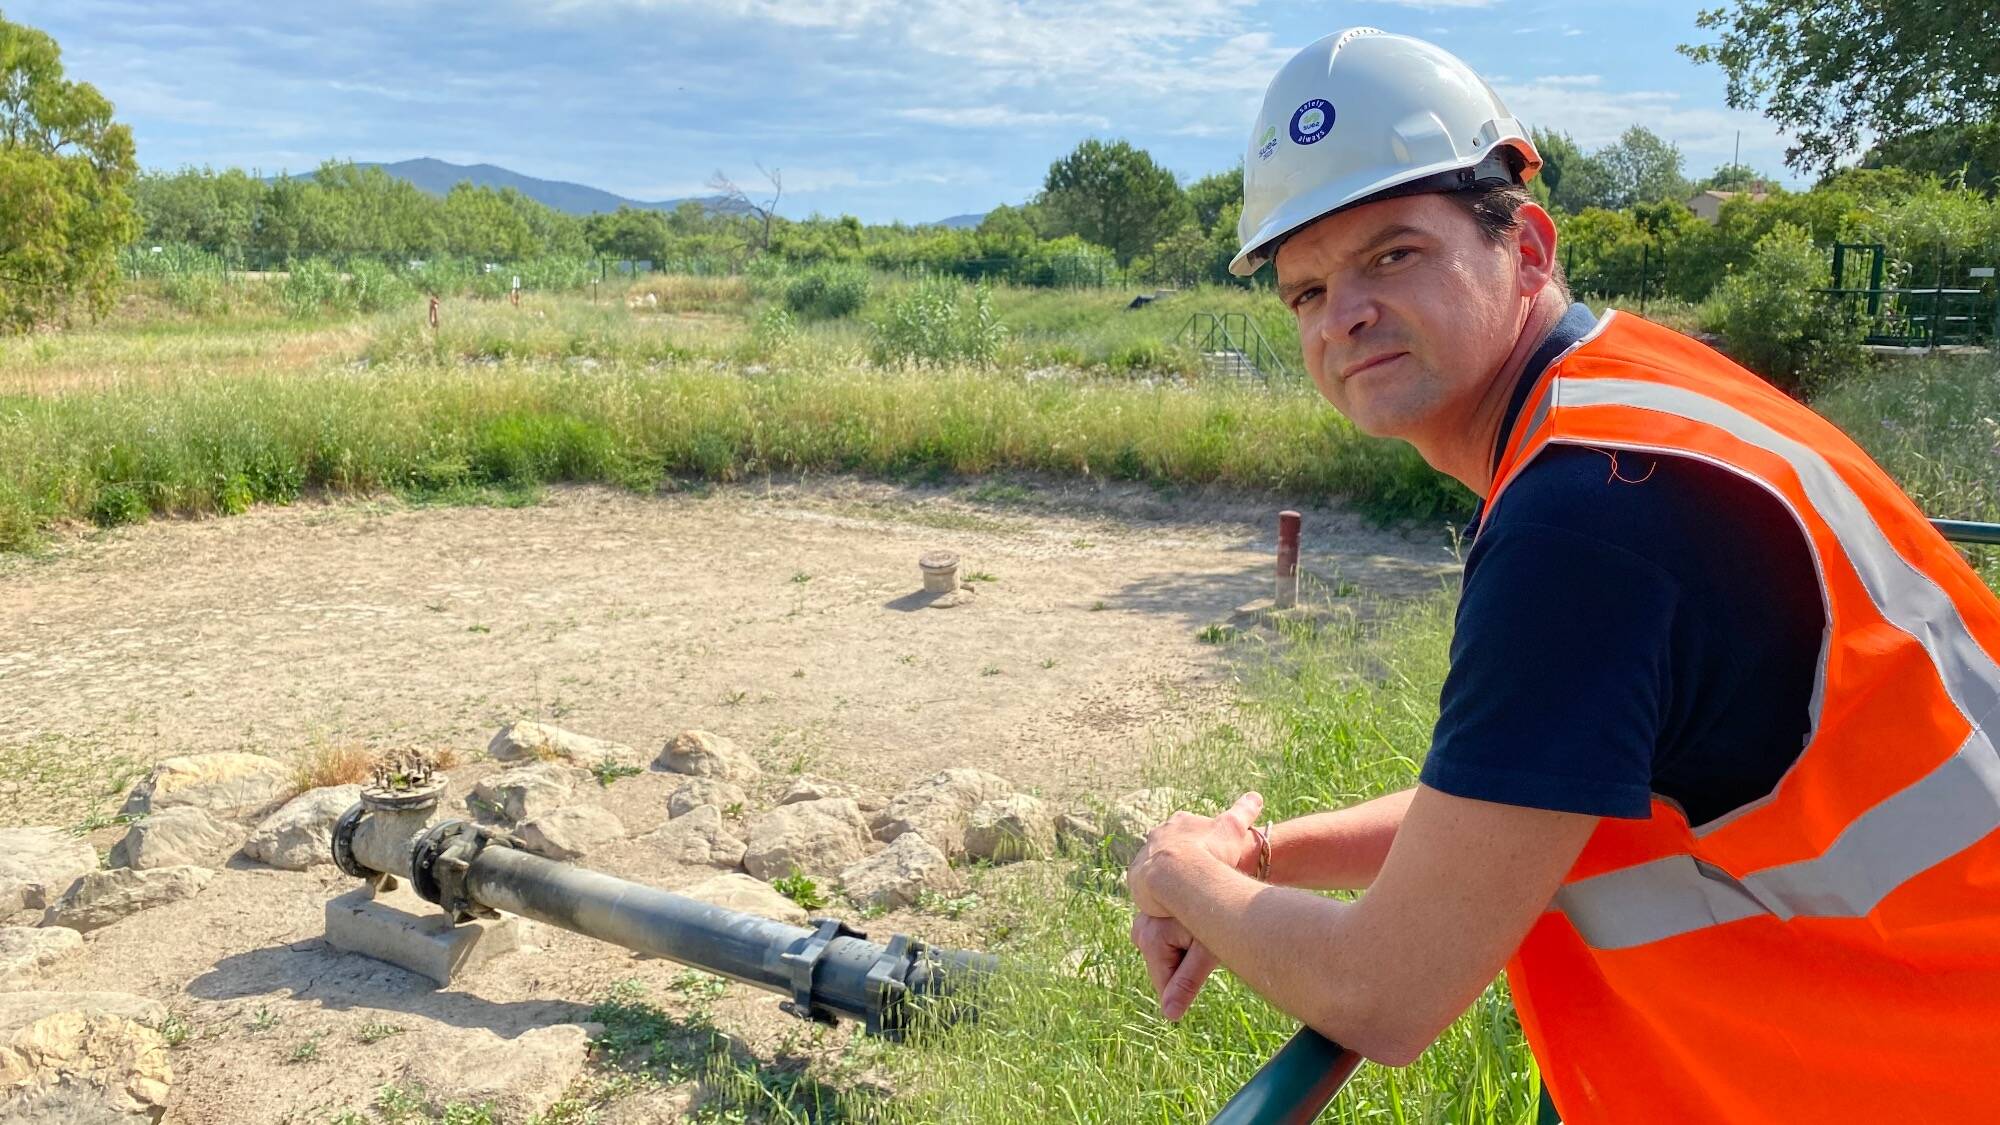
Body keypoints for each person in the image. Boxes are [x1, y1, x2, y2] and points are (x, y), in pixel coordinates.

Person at [1124, 27, 2000, 1124]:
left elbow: (1387, 992)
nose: (1341, 314)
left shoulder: (1587, 517)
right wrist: (1261, 852)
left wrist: (1176, 875)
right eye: (1304, 291)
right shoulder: (1631, 407)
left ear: (1526, 250)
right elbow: (1536, 800)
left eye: (1391, 254)